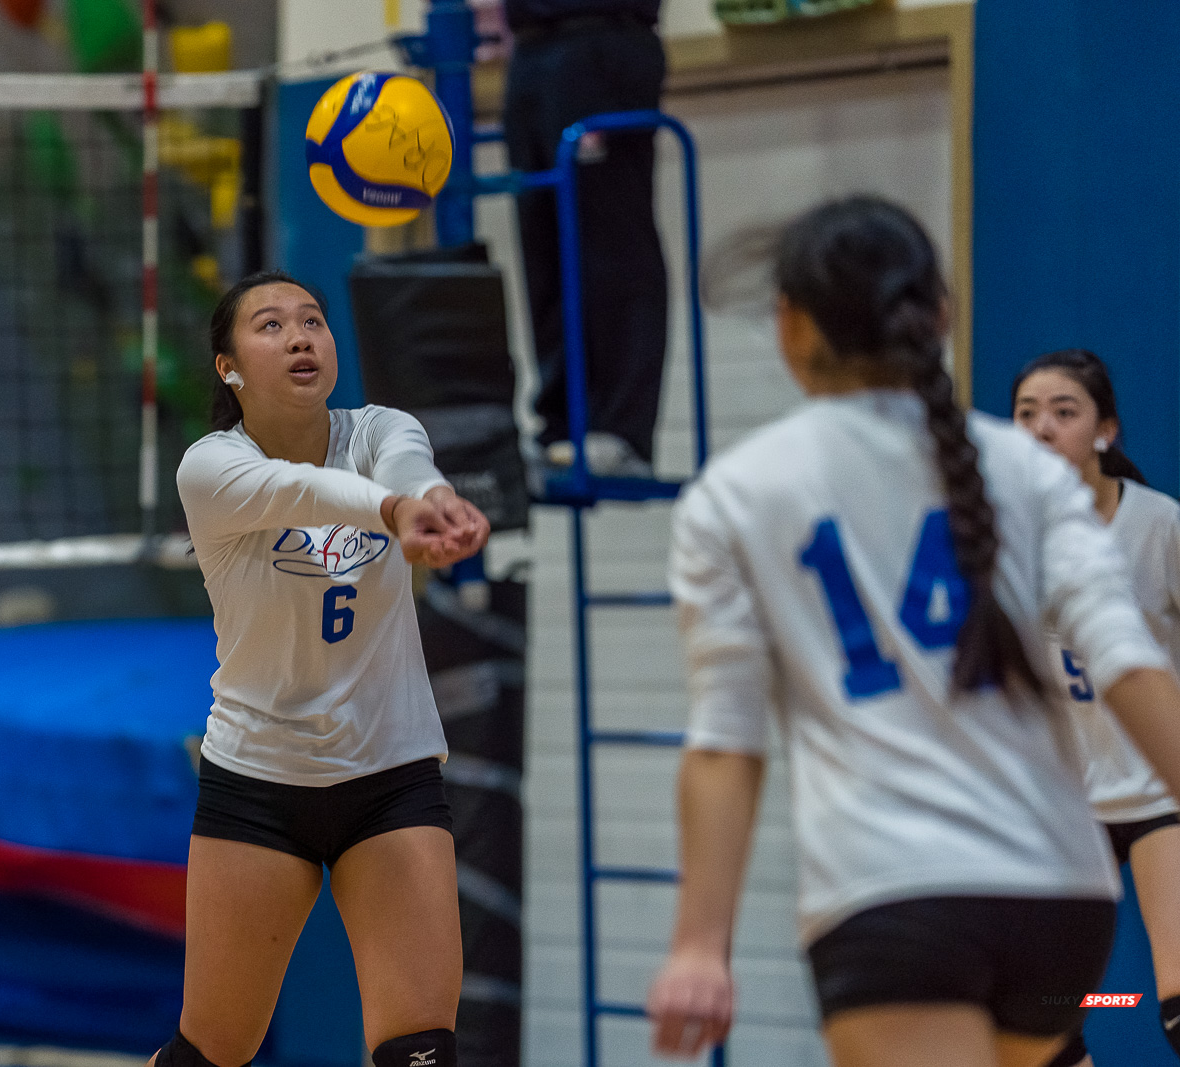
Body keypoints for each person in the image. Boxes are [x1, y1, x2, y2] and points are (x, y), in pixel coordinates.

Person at [644, 196, 1180, 1067]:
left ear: (790, 325)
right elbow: (1130, 664)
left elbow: (725, 743)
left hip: (893, 902)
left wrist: (700, 942)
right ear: (939, 317)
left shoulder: (737, 493)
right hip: (1063, 907)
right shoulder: (1031, 473)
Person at [155, 270, 491, 1067]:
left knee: (422, 1051)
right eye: (271, 325)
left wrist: (431, 498)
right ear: (229, 367)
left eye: (313, 320)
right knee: (214, 1050)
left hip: (390, 775)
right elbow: (303, 489)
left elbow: (407, 464)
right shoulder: (211, 467)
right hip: (259, 785)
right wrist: (394, 511)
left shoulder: (380, 429)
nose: (301, 335)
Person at [1012, 349, 1180, 1067]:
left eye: (1063, 411)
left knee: (1175, 1002)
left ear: (1105, 430)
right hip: (1063, 807)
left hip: (1153, 792)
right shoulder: (1006, 537)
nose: (1042, 428)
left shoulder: (1158, 524)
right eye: (1025, 414)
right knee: (1048, 1015)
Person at [501, 0, 666, 479]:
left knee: (611, 238)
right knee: (543, 248)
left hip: (601, 39)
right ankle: (558, 425)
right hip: (531, 46)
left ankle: (621, 429)